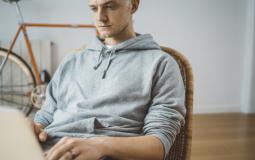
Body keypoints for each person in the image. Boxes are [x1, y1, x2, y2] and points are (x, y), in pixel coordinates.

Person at [31, 0, 186, 159]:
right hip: (47, 149)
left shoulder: (161, 63)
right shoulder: (71, 60)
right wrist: (32, 128)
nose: (100, 18)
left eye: (110, 6)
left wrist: (100, 146)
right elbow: (45, 115)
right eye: (93, 8)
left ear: (133, 5)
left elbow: (158, 145)